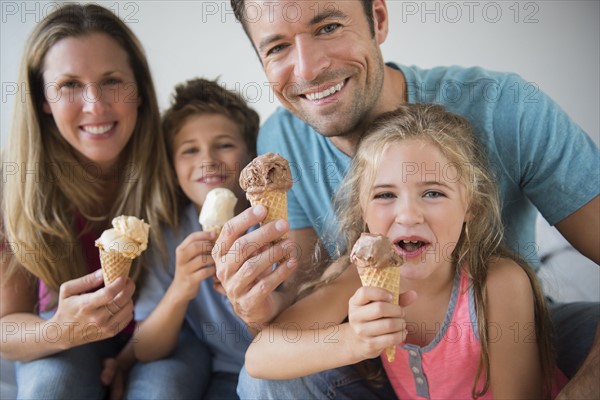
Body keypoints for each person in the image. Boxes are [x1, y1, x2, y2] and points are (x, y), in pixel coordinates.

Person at [214, 0, 600, 398]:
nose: (308, 68)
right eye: (277, 47)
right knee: (263, 382)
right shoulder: (283, 145)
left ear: (378, 20)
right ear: (360, 210)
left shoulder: (509, 107)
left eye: (328, 27)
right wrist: (261, 312)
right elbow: (278, 336)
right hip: (380, 370)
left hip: (519, 334)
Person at [242, 103, 566, 398]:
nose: (409, 215)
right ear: (362, 211)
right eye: (385, 195)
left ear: (472, 206)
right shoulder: (357, 278)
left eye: (433, 193)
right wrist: (355, 341)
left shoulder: (498, 284)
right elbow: (260, 357)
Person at [0, 4, 200, 399]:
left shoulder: (180, 159)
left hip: (164, 332)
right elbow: (6, 326)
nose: (95, 105)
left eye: (111, 81)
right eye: (69, 85)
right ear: (43, 99)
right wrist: (58, 329)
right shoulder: (15, 185)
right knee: (49, 388)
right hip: (67, 336)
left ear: (139, 90)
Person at [132, 78, 259, 399]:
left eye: (225, 144)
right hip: (227, 373)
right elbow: (145, 349)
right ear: (173, 166)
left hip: (282, 368)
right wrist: (181, 287)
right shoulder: (168, 236)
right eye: (190, 150)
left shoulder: (273, 223)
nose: (208, 160)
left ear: (250, 153)